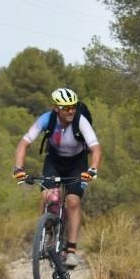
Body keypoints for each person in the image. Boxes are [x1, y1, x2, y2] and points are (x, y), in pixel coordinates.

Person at [13, 87, 102, 268]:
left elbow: (96, 148)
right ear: (56, 108)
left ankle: (71, 250)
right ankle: (45, 233)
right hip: (54, 161)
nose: (71, 111)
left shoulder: (80, 121)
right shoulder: (46, 119)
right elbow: (24, 143)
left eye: (73, 107)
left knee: (73, 201)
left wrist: (92, 169)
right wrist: (18, 168)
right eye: (66, 107)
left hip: (77, 164)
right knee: (48, 196)